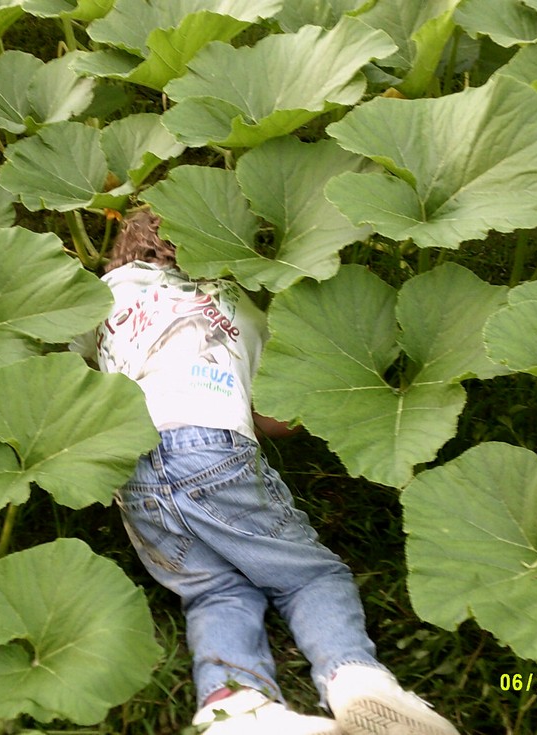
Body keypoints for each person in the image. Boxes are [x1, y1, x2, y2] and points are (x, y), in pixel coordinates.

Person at [76, 209, 460, 735]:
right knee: (309, 576)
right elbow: (275, 417)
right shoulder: (239, 305)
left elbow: (69, 373)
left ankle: (234, 709)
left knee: (216, 591)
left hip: (128, 465)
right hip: (211, 445)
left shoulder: (98, 299)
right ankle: (356, 680)